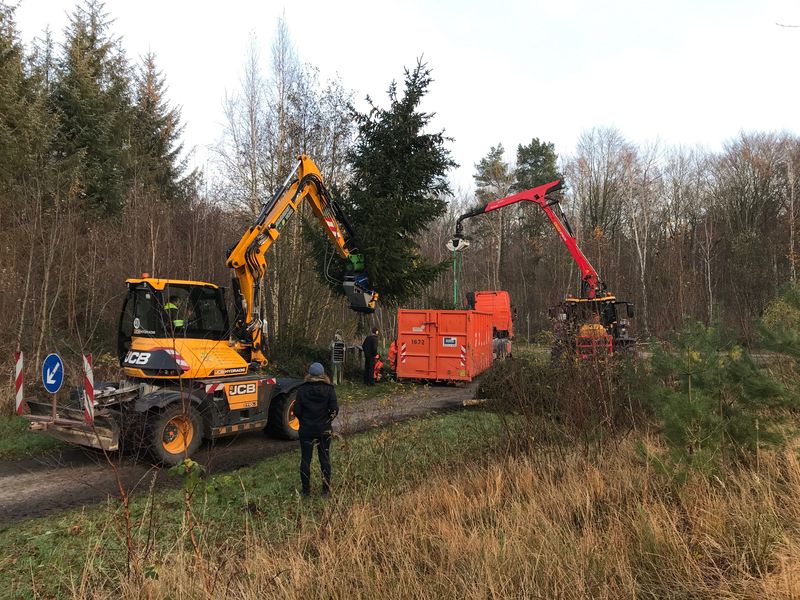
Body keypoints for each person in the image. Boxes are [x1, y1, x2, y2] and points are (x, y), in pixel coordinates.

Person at [293, 362, 339, 497]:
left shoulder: (302, 389)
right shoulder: (329, 389)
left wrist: (303, 420)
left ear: (309, 374)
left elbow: (296, 410)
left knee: (305, 459)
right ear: (323, 374)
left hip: (306, 430)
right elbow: (335, 409)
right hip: (324, 429)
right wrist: (328, 421)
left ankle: (306, 492)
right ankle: (325, 491)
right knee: (324, 459)